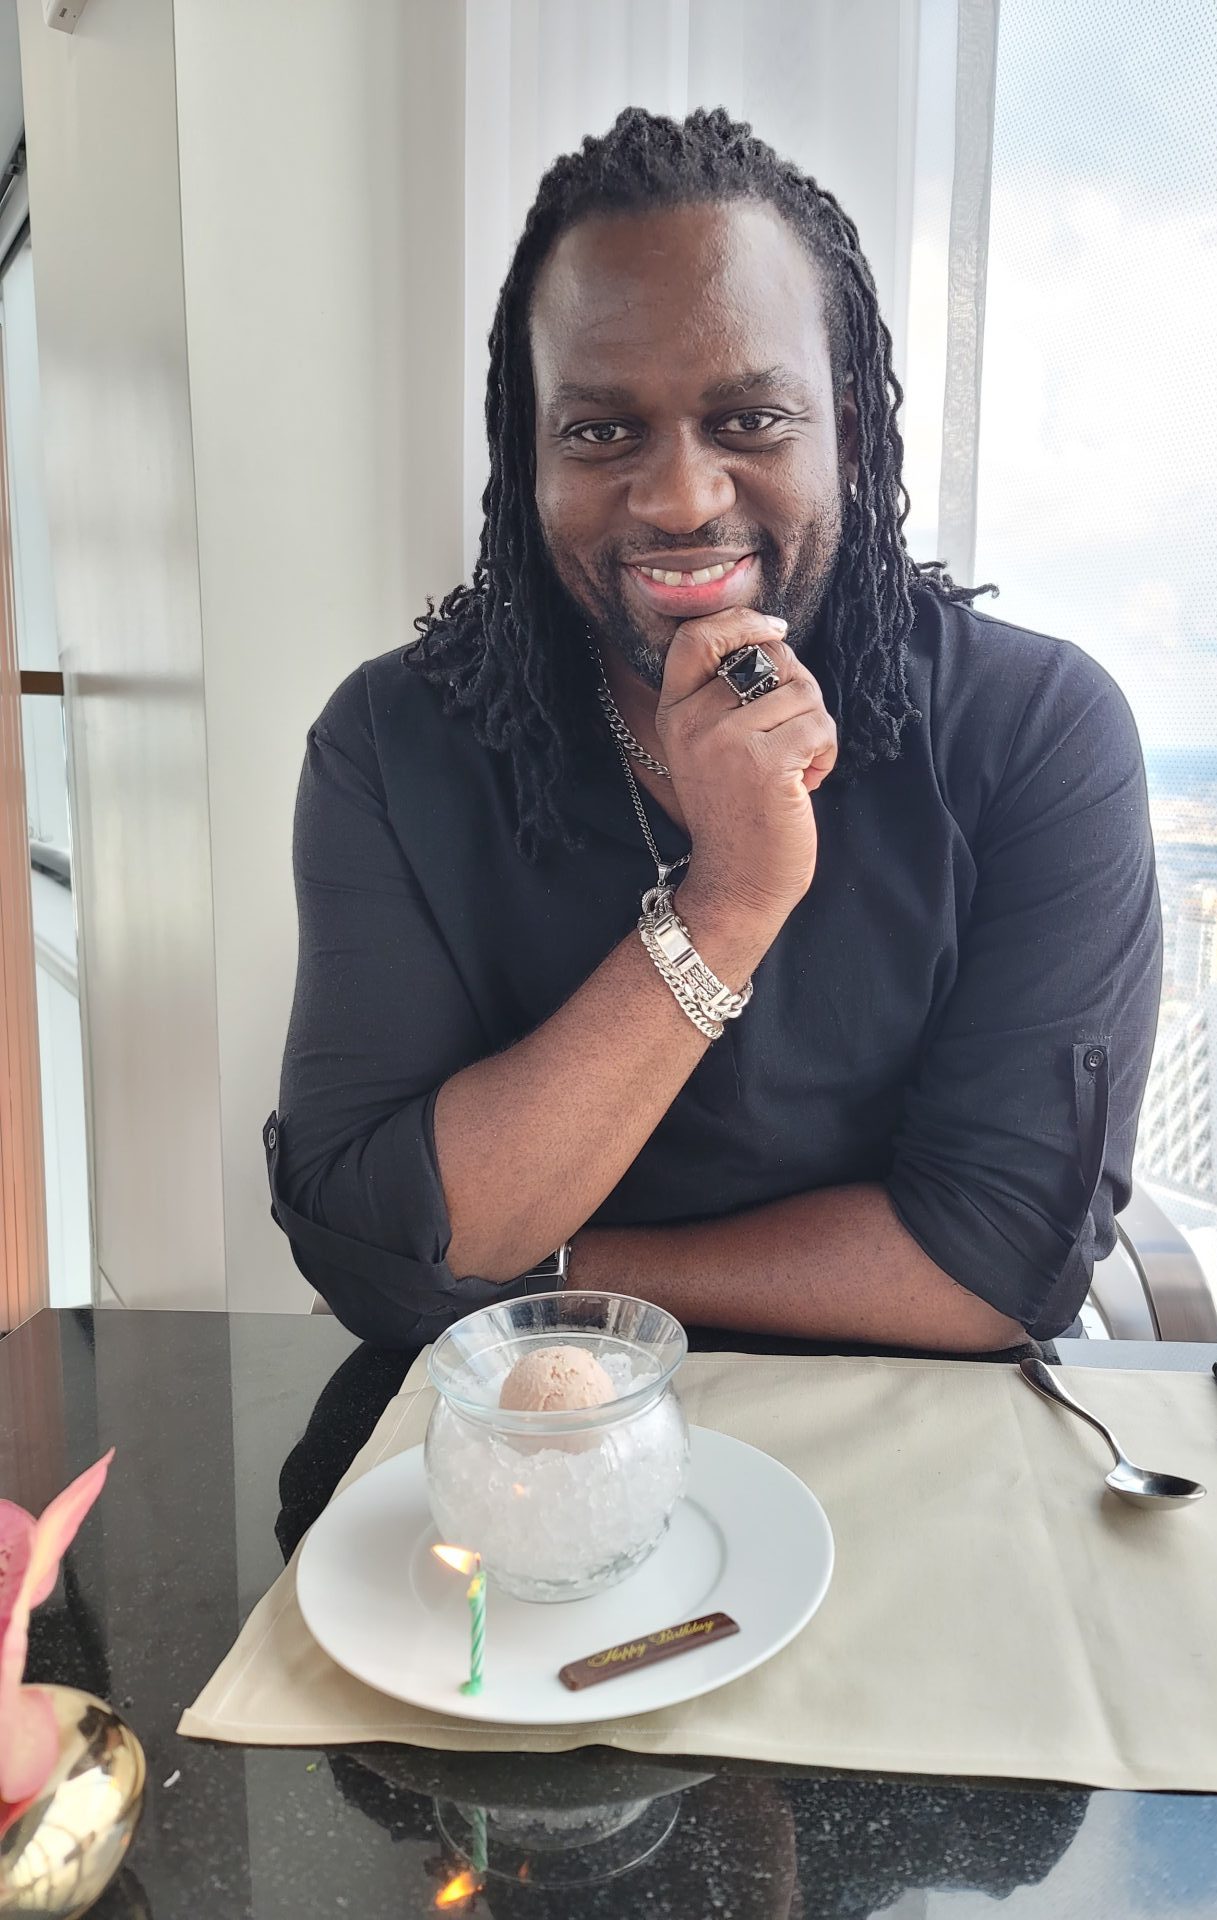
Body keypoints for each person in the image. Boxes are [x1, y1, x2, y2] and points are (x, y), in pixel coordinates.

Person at [266, 105, 1162, 1353]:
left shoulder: (1034, 731)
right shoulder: (396, 745)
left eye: (749, 420)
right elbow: (374, 1237)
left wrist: (550, 1265)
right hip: (523, 1441)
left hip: (905, 1437)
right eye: (600, 431)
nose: (682, 498)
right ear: (527, 453)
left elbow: (1002, 1267)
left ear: (845, 420)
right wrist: (727, 905)